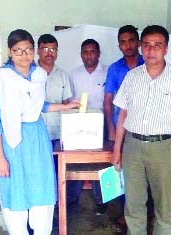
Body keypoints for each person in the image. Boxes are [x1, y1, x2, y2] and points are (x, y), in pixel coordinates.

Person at [0, 29, 79, 235]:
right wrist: (0, 157)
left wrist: (65, 106)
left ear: (34, 51)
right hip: (12, 142)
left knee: (41, 190)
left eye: (28, 50)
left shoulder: (38, 75)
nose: (24, 55)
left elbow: (38, 105)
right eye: (18, 51)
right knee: (16, 189)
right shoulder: (0, 78)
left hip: (37, 137)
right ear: (10, 52)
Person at [112, 25, 171, 235]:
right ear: (141, 47)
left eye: (157, 45)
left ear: (166, 49)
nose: (151, 50)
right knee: (133, 205)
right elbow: (123, 115)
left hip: (165, 148)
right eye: (147, 45)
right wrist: (117, 149)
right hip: (132, 147)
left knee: (163, 206)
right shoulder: (132, 77)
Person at [104, 25, 150, 232]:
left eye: (131, 40)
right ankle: (125, 215)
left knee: (147, 174)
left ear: (138, 42)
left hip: (146, 129)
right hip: (122, 129)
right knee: (123, 172)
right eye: (123, 42)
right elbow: (108, 102)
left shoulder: (149, 64)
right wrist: (112, 130)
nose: (128, 45)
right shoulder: (115, 69)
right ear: (119, 45)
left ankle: (146, 215)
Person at [68, 38, 108, 214]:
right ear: (81, 55)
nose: (89, 55)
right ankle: (72, 198)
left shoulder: (107, 72)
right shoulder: (74, 74)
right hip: (79, 122)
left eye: (93, 51)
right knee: (78, 159)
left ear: (98, 53)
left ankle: (101, 200)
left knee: (101, 161)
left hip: (103, 122)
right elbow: (69, 100)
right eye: (85, 52)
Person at [38, 34, 72, 144]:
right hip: (35, 132)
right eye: (45, 49)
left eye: (53, 49)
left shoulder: (63, 75)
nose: (49, 53)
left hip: (57, 133)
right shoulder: (30, 73)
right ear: (38, 51)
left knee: (57, 161)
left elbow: (66, 104)